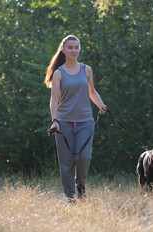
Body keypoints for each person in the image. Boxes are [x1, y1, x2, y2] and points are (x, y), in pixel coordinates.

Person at [44, 35, 107, 203]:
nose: (74, 50)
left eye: (76, 47)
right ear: (63, 50)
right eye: (70, 47)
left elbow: (91, 92)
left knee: (84, 156)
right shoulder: (59, 73)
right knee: (66, 162)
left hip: (85, 121)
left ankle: (80, 185)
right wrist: (55, 120)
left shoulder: (86, 69)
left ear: (79, 49)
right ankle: (70, 197)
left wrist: (101, 105)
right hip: (63, 122)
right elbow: (54, 99)